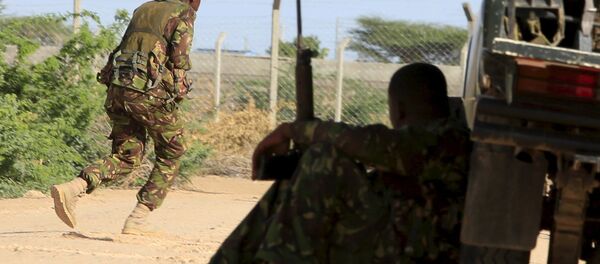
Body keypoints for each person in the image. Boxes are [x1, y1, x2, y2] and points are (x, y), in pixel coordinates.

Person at [210, 63, 472, 263]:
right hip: (400, 242)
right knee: (307, 170)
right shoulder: (441, 143)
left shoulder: (445, 140)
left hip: (410, 249)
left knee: (323, 161)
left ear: (399, 109)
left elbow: (373, 144)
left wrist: (293, 131)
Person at [50, 0, 201, 235]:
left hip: (118, 91)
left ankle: (75, 187)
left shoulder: (143, 9)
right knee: (173, 150)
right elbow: (179, 59)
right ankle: (138, 219)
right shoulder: (183, 13)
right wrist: (178, 88)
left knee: (126, 156)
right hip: (148, 93)